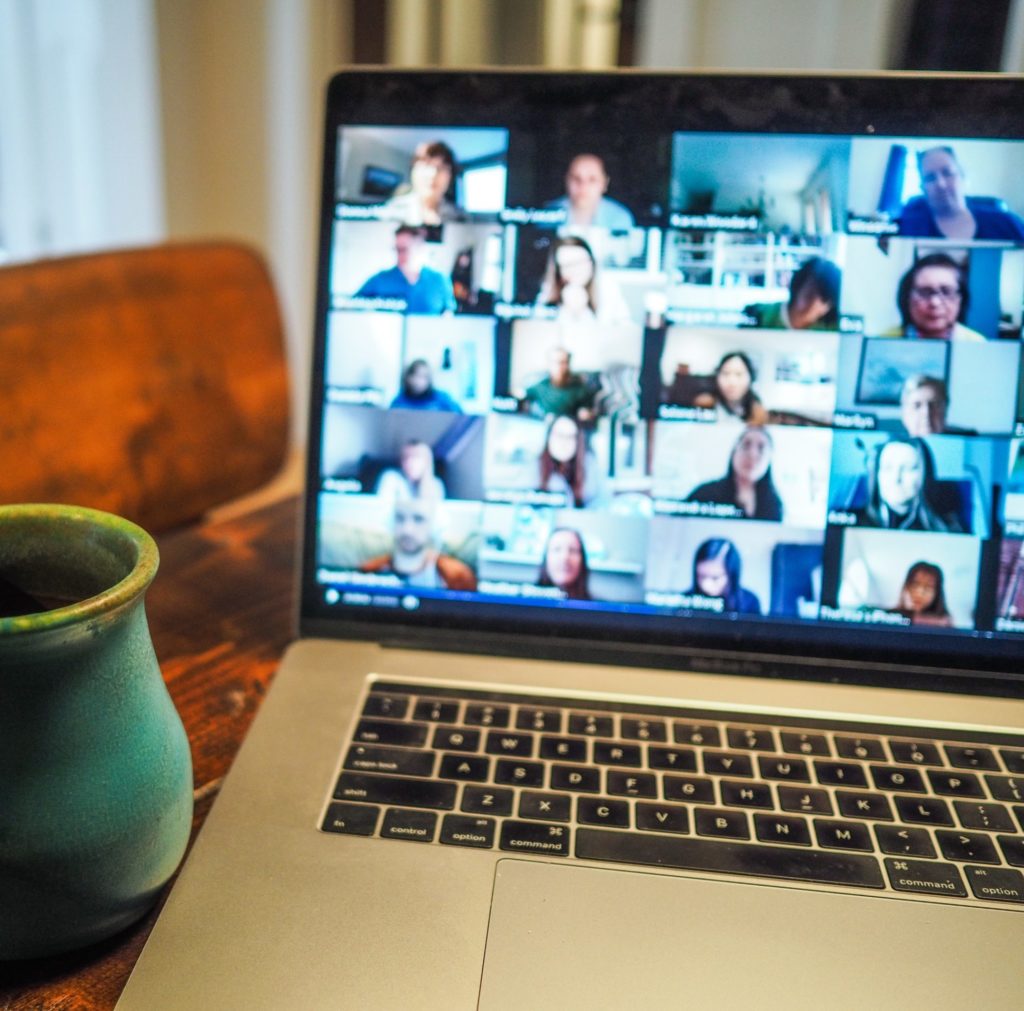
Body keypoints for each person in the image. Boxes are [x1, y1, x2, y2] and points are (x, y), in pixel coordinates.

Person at [897, 145, 1024, 241]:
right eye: (930, 178)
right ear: (922, 188)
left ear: (962, 177)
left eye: (947, 173)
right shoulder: (907, 230)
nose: (941, 184)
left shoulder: (1007, 223)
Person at [359, 499, 476, 590]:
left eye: (418, 519)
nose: (407, 530)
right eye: (399, 518)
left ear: (434, 525)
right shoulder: (370, 571)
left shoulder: (457, 576)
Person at [854, 437, 964, 533]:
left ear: (925, 474)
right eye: (887, 468)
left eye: (908, 468)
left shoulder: (947, 529)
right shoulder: (853, 521)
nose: (896, 478)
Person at [686, 426, 783, 520]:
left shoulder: (774, 505)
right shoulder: (704, 494)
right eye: (746, 445)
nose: (752, 454)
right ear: (734, 452)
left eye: (761, 448)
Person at [885, 253, 985, 342]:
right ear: (907, 298)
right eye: (924, 292)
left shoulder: (977, 344)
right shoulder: (885, 341)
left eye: (946, 292)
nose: (934, 302)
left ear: (961, 299)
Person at [355, 226, 456, 314]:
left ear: (419, 247)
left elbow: (448, 314)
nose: (399, 254)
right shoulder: (379, 280)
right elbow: (354, 307)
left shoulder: (439, 280)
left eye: (404, 249)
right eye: (396, 249)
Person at [535, 235, 631, 325]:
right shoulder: (548, 292)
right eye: (568, 265)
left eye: (580, 262)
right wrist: (568, 311)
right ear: (558, 270)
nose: (576, 270)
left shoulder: (608, 288)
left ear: (592, 262)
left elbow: (626, 329)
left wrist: (582, 312)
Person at [744, 257, 841, 331]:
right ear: (798, 287)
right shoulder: (759, 316)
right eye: (809, 294)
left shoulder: (832, 331)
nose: (813, 304)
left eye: (823, 300)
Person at [545, 153, 635, 230]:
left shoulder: (620, 217)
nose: (583, 186)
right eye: (576, 178)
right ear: (566, 180)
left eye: (592, 179)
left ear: (604, 183)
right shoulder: (547, 214)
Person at [383, 140, 464, 226]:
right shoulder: (388, 213)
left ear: (451, 176)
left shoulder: (461, 218)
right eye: (426, 165)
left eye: (441, 168)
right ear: (413, 171)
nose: (433, 174)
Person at [685, 538, 761, 615]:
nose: (706, 585)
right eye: (701, 576)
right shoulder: (685, 600)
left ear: (731, 575)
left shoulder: (749, 601)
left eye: (715, 578)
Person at [521, 347, 597, 421]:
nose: (560, 367)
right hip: (543, 424)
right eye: (557, 362)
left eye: (564, 362)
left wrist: (585, 413)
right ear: (549, 364)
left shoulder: (580, 389)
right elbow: (520, 394)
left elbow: (588, 409)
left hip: (569, 426)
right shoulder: (540, 387)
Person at [693, 351, 769, 424]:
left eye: (739, 374)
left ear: (751, 378)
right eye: (726, 373)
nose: (732, 382)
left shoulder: (757, 411)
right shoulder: (704, 403)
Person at [538, 415, 595, 508]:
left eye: (570, 437)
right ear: (549, 438)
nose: (564, 442)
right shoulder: (533, 469)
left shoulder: (590, 469)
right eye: (559, 435)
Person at [375, 440, 447, 506]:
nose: (409, 462)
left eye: (416, 456)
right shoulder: (391, 478)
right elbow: (383, 507)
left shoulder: (436, 485)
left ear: (427, 461)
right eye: (406, 457)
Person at [892, 560, 954, 627]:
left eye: (928, 587)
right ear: (906, 586)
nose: (919, 593)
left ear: (937, 593)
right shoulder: (890, 618)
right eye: (915, 584)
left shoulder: (945, 624)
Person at [536, 527, 591, 601]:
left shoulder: (599, 606)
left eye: (573, 550)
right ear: (546, 557)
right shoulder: (524, 600)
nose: (565, 557)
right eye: (557, 549)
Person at [389, 359, 462, 412]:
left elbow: (461, 417)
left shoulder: (443, 399)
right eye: (416, 376)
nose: (418, 381)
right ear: (408, 378)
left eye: (424, 377)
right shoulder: (399, 401)